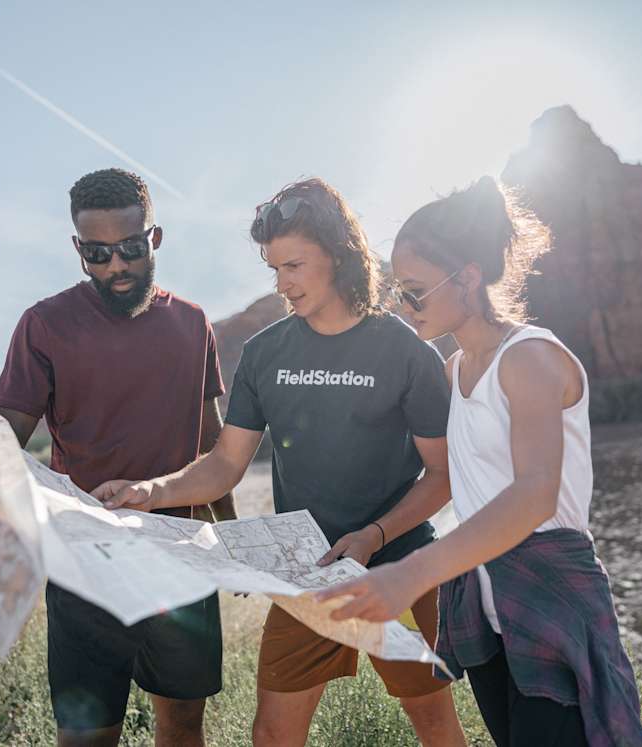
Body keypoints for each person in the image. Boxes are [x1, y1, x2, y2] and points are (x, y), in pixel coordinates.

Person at [93, 177, 467, 747]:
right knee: (271, 734)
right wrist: (149, 491)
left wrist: (374, 534)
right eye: (274, 269)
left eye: (293, 266)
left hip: (401, 571)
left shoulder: (407, 351)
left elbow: (442, 476)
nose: (283, 284)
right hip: (308, 575)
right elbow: (223, 465)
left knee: (435, 725)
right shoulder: (266, 354)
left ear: (339, 256)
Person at [317, 177, 642, 747]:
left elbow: (534, 494)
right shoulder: (452, 372)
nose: (403, 306)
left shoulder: (531, 359)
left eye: (415, 291)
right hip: (490, 615)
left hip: (550, 601)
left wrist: (414, 572)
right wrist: (372, 537)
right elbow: (449, 480)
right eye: (399, 290)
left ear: (467, 279)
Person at [0, 167, 235, 747]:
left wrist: (234, 536)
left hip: (180, 559)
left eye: (129, 247)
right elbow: (10, 434)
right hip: (84, 566)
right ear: (77, 248)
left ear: (155, 237)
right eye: (96, 254)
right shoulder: (44, 325)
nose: (115, 267)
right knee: (86, 734)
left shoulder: (193, 324)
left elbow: (213, 440)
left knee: (181, 727)